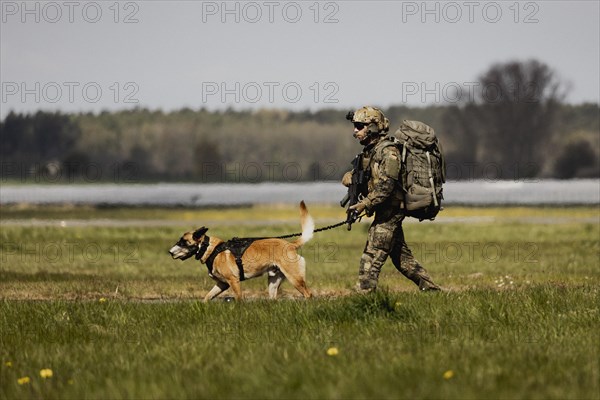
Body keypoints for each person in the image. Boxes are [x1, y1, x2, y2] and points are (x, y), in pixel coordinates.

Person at [342, 106, 441, 292]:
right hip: (385, 212)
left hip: (391, 212)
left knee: (370, 259)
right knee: (403, 259)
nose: (355, 131)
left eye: (359, 126)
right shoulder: (372, 151)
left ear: (372, 127)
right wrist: (351, 176)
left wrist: (365, 204)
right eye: (355, 126)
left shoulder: (389, 152)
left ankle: (364, 301)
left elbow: (386, 186)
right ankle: (433, 291)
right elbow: (372, 177)